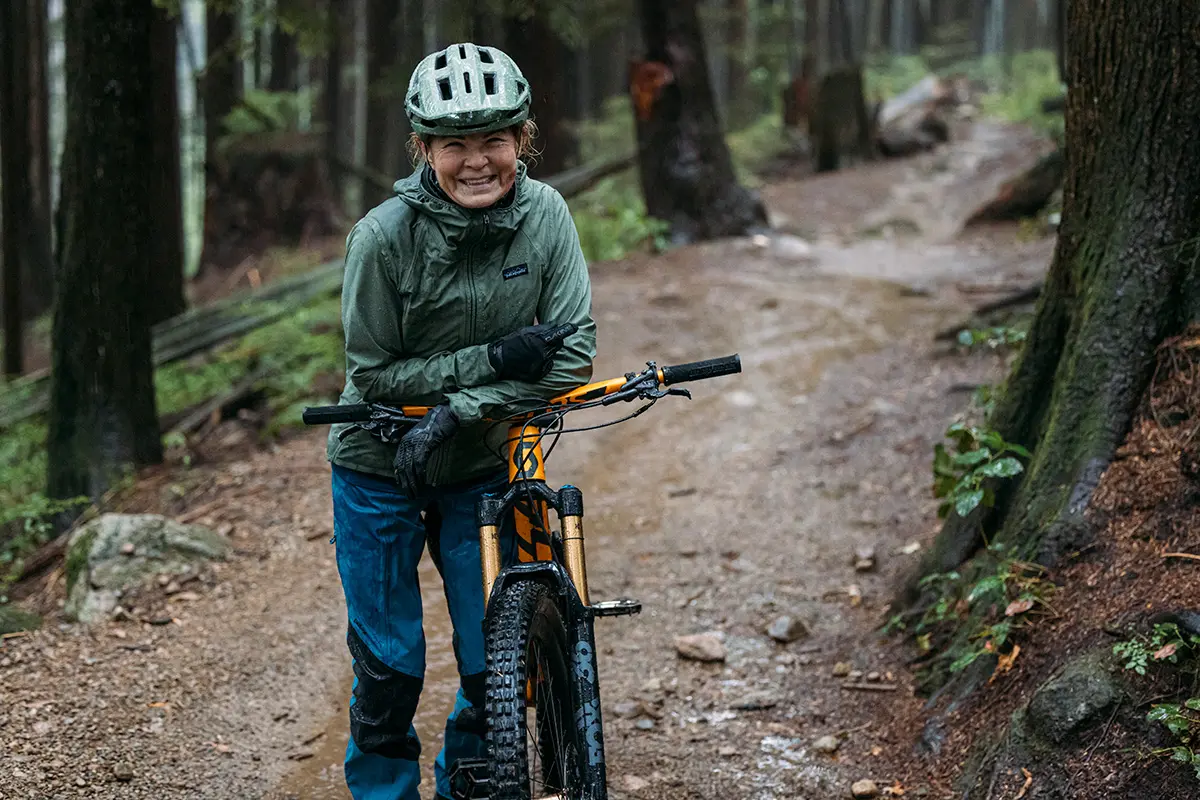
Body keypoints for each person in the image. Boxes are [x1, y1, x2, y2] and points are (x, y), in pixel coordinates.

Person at [325, 42, 597, 800]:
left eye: (494, 141)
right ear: (423, 150)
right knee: (390, 665)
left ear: (523, 140)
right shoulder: (381, 238)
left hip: (479, 460)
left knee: (491, 661)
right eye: (455, 145)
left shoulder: (545, 217)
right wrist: (497, 358)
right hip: (378, 464)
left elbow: (573, 351)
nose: (477, 161)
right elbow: (373, 373)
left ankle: (471, 785)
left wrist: (465, 408)